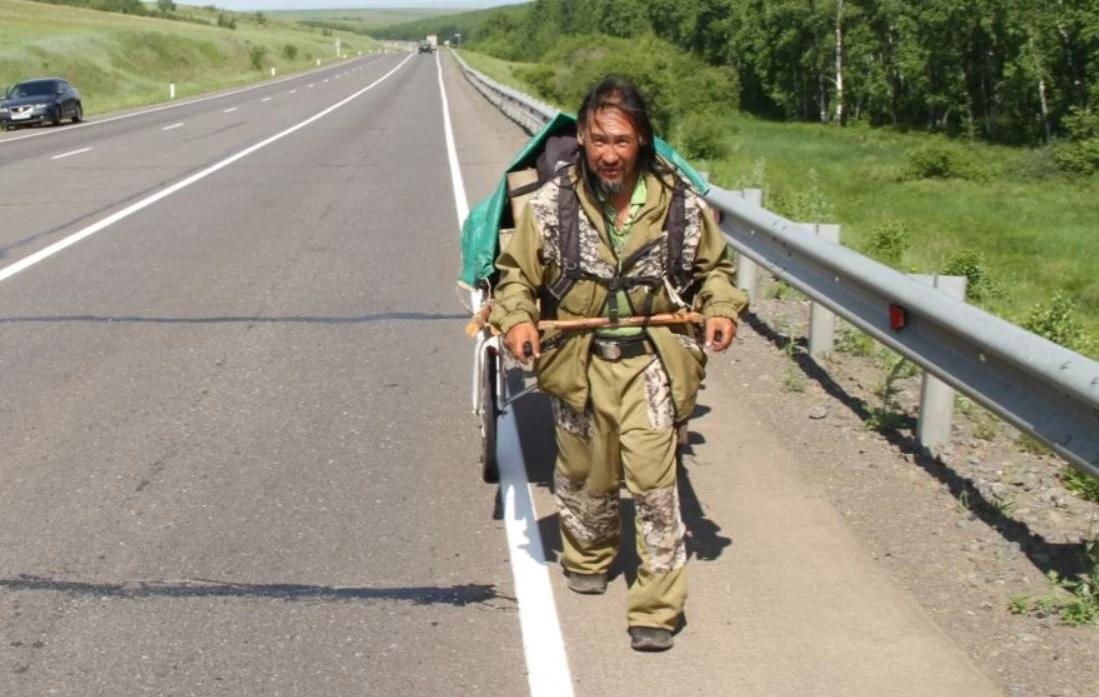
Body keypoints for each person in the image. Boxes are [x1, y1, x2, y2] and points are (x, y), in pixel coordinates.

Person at [489, 76, 747, 652]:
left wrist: (721, 307)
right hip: (576, 359)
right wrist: (519, 319)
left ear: (642, 141)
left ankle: (656, 608)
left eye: (622, 141)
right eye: (600, 140)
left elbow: (715, 272)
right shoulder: (551, 205)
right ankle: (589, 554)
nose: (610, 154)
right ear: (583, 138)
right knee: (587, 473)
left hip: (652, 360)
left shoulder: (678, 205)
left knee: (654, 485)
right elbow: (517, 277)